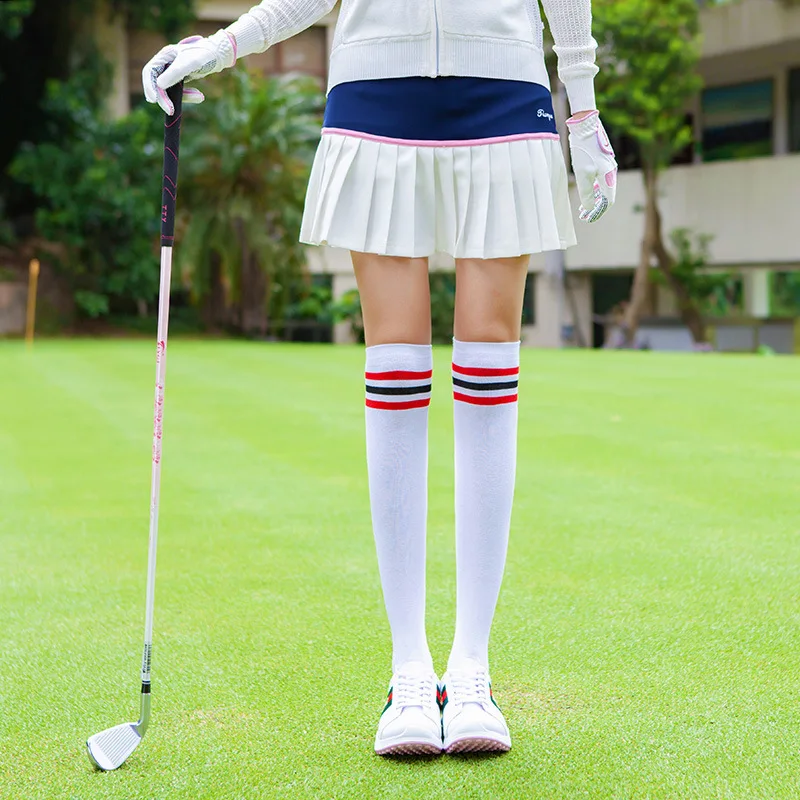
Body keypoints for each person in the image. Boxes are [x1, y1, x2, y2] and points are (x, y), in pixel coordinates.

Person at [143, 0, 617, 757]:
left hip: (504, 86)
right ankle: (407, 670)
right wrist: (221, 47)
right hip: (374, 93)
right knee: (393, 361)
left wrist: (584, 106)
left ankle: (471, 671)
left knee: (489, 359)